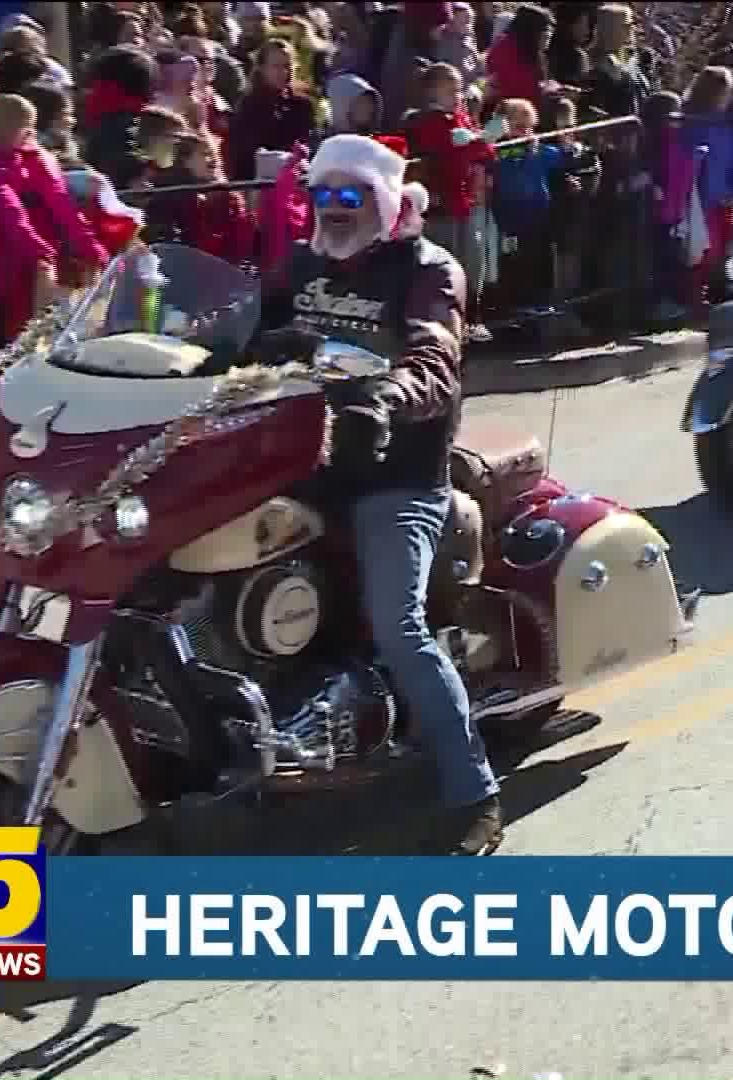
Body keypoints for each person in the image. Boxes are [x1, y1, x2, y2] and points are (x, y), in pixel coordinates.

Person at [253, 133, 504, 855]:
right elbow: (240, 320)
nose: (333, 209)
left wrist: (389, 395)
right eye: (323, 194)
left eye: (350, 196)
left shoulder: (426, 268)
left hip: (396, 470)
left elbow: (435, 354)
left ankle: (474, 795)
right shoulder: (302, 261)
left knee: (397, 626)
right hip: (295, 461)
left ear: (385, 200)